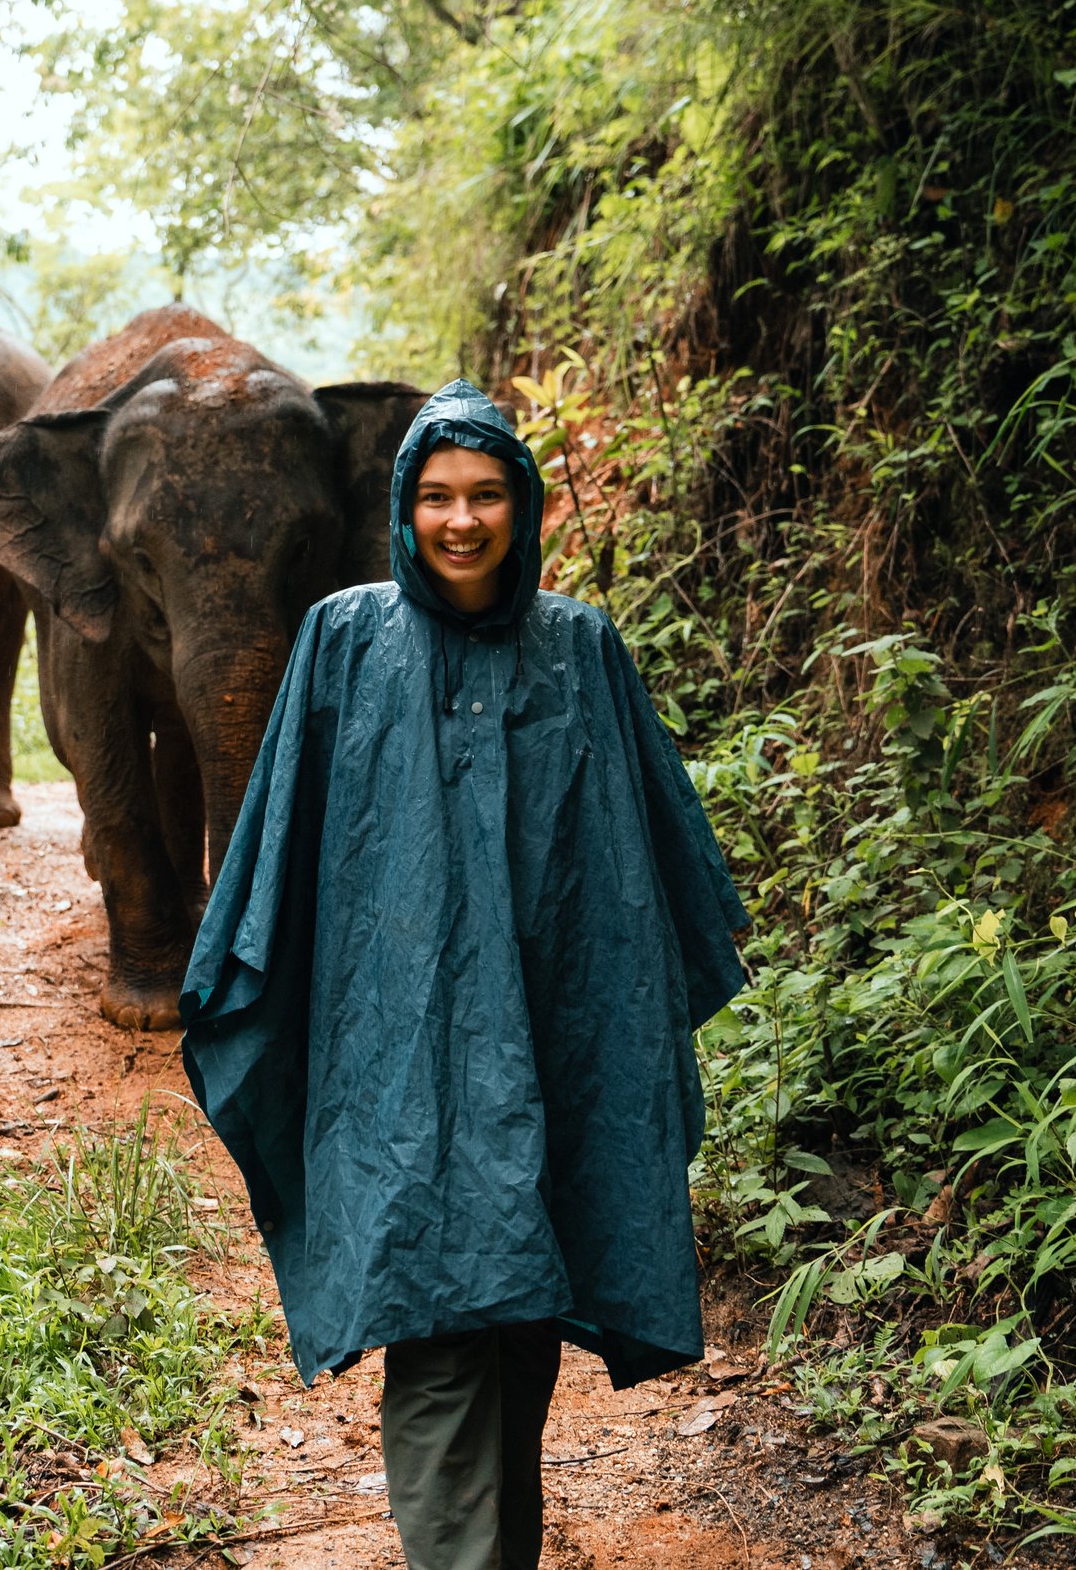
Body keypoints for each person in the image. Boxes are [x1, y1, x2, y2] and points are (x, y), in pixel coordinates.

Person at [179, 380, 750, 1570]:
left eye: (485, 493)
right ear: (402, 504)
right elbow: (282, 846)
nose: (460, 519)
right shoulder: (344, 639)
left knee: (521, 1320)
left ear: (522, 504)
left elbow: (647, 866)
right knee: (435, 1326)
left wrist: (619, 1033)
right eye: (435, 495)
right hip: (398, 1054)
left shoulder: (581, 646)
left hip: (549, 1040)